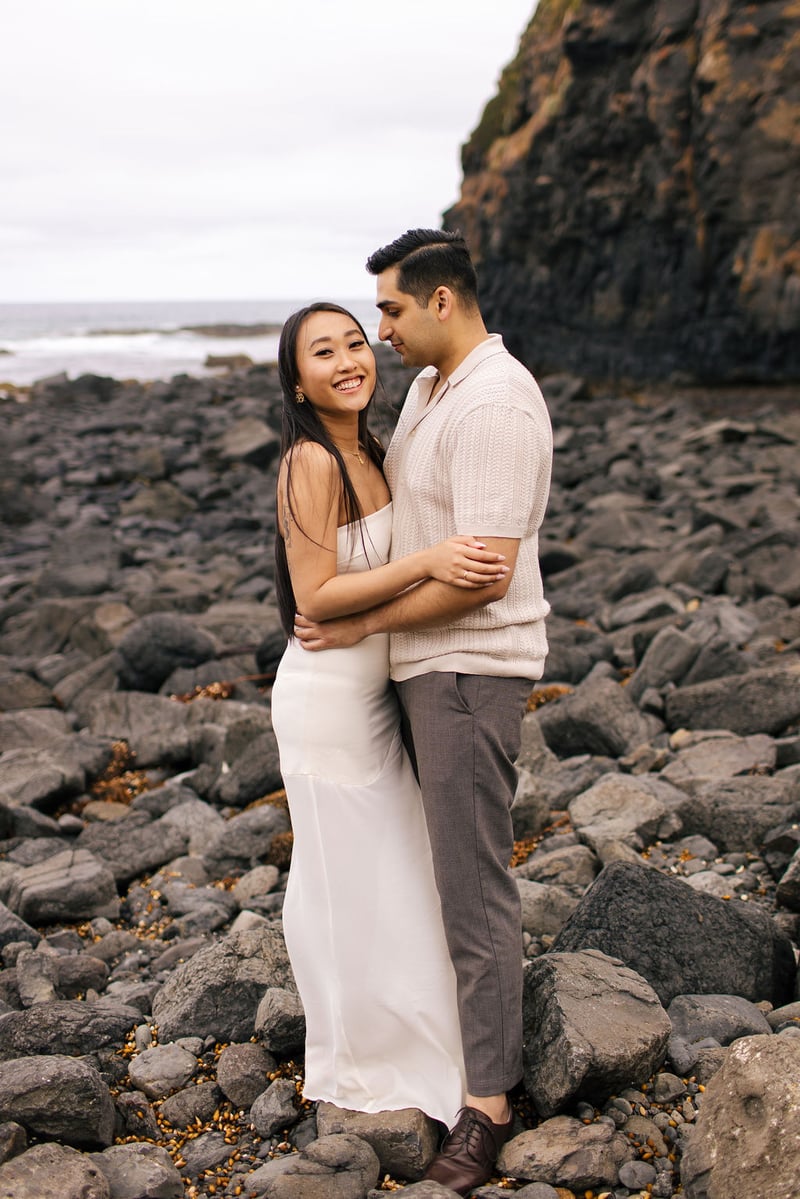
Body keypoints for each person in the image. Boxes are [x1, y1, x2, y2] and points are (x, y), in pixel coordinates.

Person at [293, 231, 553, 1195]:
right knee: (435, 870)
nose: (381, 333)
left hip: (466, 670)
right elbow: (415, 536)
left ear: (442, 302)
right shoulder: (432, 389)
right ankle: (439, 1043)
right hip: (421, 668)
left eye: (392, 312)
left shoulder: (493, 402)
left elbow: (480, 580)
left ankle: (487, 1101)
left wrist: (364, 621)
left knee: (472, 882)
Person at [270, 301, 510, 1132]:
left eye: (355, 342)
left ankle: (428, 1045)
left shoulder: (369, 448)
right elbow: (316, 596)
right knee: (356, 873)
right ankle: (369, 1060)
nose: (347, 360)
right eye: (321, 352)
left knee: (397, 864)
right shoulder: (311, 460)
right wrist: (430, 560)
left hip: (374, 690)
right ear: (297, 380)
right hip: (328, 700)